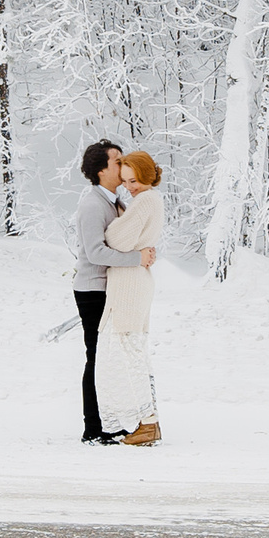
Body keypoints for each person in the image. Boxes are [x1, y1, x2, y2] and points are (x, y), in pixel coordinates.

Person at [72, 138, 154, 445]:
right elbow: (95, 253)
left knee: (107, 358)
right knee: (96, 357)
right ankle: (93, 428)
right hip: (94, 290)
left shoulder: (114, 200)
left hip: (111, 288)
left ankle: (109, 422)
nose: (122, 165)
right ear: (101, 169)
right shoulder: (92, 205)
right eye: (117, 161)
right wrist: (137, 258)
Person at [97, 150, 166, 446]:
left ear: (147, 176)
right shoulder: (147, 202)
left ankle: (146, 422)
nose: (130, 187)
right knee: (129, 351)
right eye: (125, 181)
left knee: (129, 351)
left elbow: (115, 240)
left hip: (129, 287)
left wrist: (114, 227)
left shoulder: (145, 201)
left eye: (134, 180)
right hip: (131, 283)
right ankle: (143, 420)